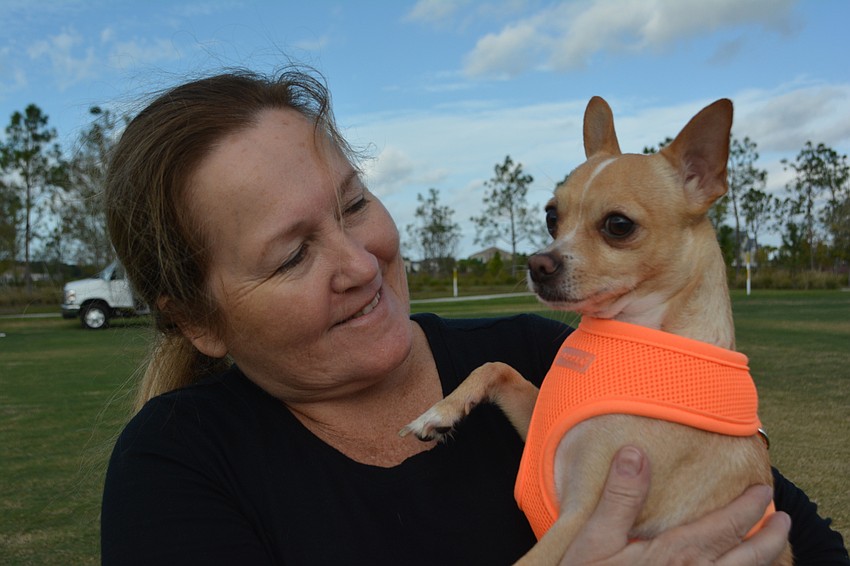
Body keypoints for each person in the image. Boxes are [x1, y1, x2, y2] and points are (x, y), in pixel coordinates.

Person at [100, 67, 848, 565]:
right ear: (198, 320)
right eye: (293, 255)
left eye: (355, 205)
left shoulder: (545, 355)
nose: (361, 263)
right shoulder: (179, 464)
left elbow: (785, 530)